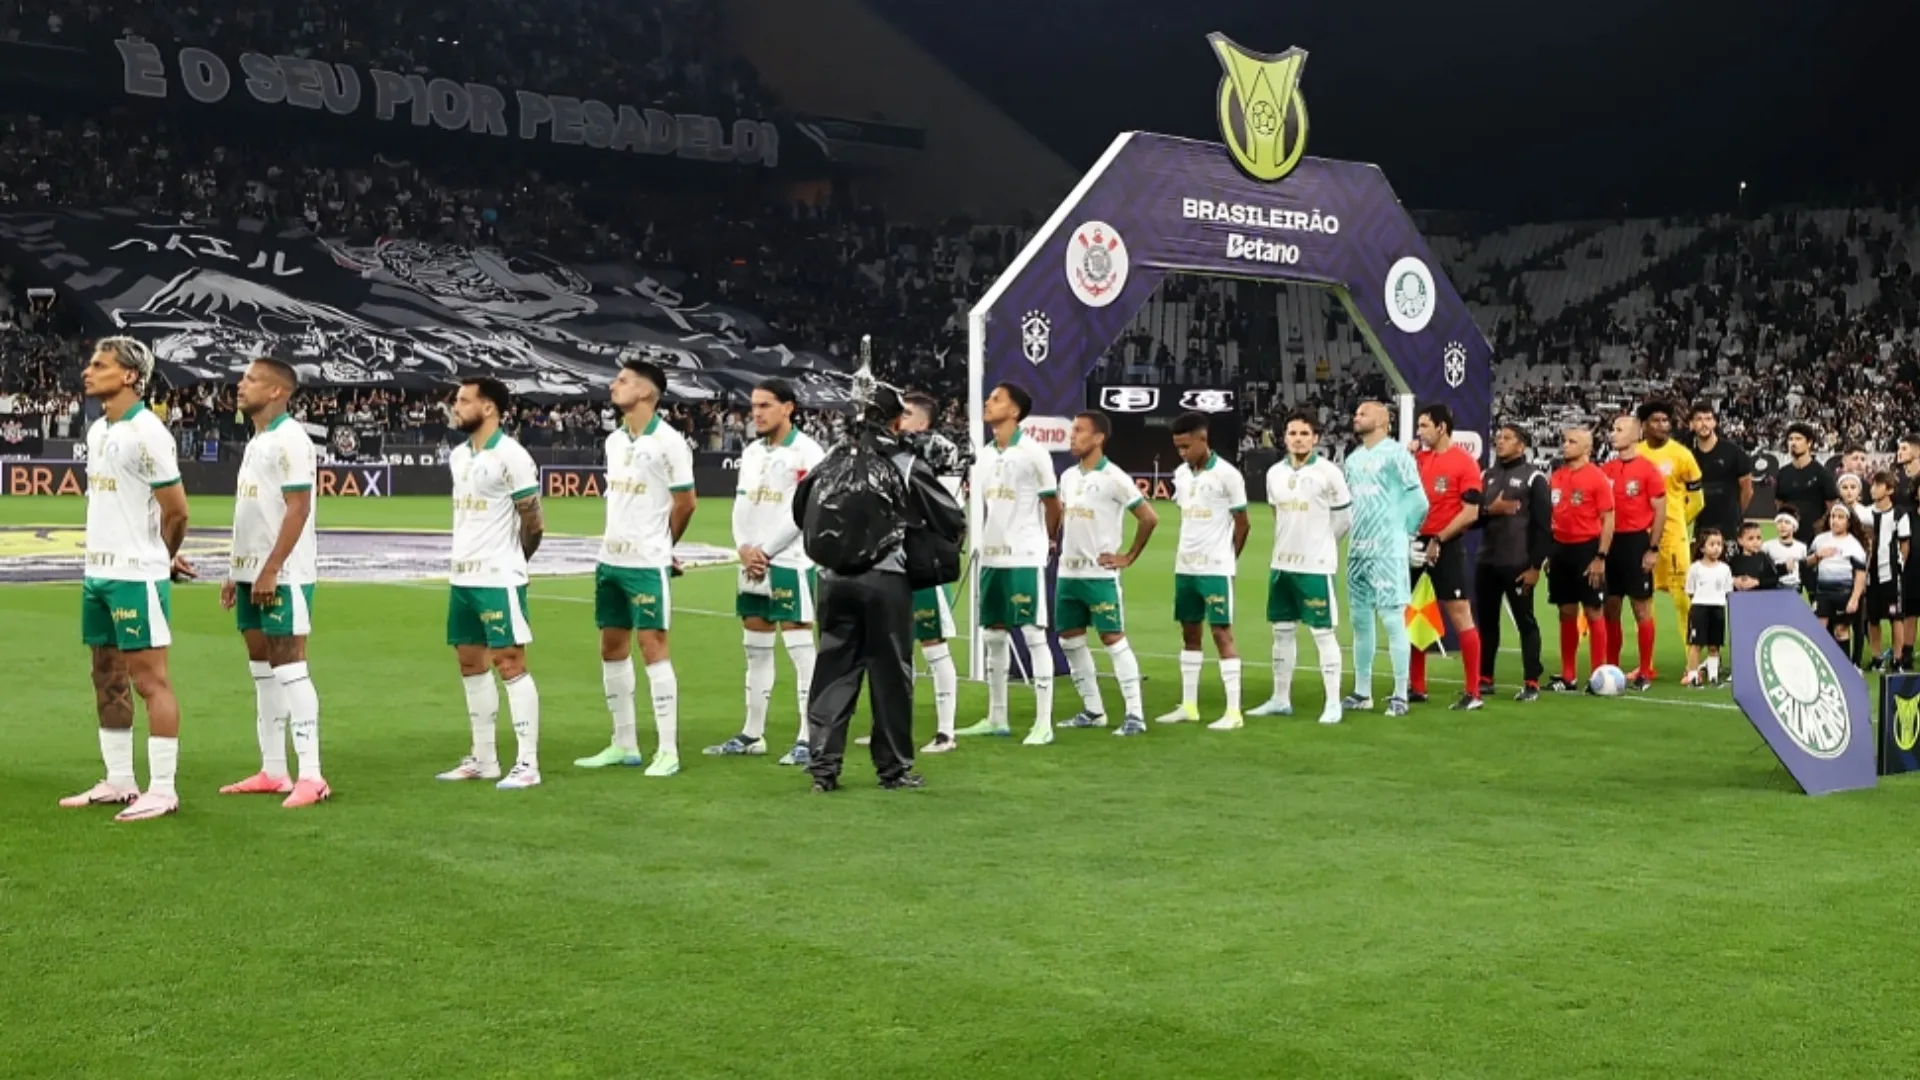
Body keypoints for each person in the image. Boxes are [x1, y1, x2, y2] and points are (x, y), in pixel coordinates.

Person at [796, 386, 963, 792]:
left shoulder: (832, 458)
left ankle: (823, 769)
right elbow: (950, 517)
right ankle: (893, 769)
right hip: (886, 579)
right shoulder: (904, 462)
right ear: (895, 420)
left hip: (833, 579)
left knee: (833, 671)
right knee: (890, 676)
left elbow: (801, 508)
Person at [60, 337, 192, 822]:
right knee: (105, 675)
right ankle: (119, 780)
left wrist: (160, 557)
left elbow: (177, 512)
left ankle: (163, 788)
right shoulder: (99, 431)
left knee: (150, 680)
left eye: (100, 364)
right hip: (98, 572)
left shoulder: (147, 432)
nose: (88, 372)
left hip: (135, 576)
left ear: (130, 377)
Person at [216, 357, 328, 808]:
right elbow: (253, 513)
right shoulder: (258, 439)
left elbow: (297, 508)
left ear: (278, 391)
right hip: (251, 571)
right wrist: (235, 570)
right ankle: (274, 770)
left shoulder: (291, 440)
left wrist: (271, 568)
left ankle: (313, 775)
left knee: (289, 665)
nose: (240, 386)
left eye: (251, 380)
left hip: (284, 573)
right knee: (262, 671)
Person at [575, 360, 695, 778]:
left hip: (646, 562)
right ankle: (624, 743)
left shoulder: (670, 442)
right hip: (611, 560)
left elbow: (686, 502)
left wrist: (664, 546)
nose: (613, 385)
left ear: (646, 392)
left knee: (653, 649)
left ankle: (667, 749)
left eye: (623, 381)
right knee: (611, 648)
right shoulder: (614, 441)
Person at [434, 377, 546, 789]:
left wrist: (516, 562)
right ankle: (484, 758)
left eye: (464, 401)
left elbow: (533, 521)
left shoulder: (511, 455)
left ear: (489, 408)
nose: (455, 407)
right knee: (469, 662)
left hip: (498, 576)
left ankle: (528, 764)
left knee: (510, 662)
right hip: (462, 576)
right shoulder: (459, 456)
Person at [707, 379, 826, 764]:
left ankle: (809, 738)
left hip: (790, 561)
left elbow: (804, 512)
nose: (756, 413)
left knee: (800, 649)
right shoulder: (753, 452)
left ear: (788, 407)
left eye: (765, 406)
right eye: (753, 406)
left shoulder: (808, 452)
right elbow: (741, 506)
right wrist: (743, 548)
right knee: (755, 648)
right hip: (754, 561)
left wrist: (767, 551)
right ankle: (751, 734)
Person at [957, 382, 1062, 745]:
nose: (988, 402)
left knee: (1033, 633)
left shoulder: (1034, 453)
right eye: (989, 398)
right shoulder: (984, 455)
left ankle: (1043, 722)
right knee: (993, 634)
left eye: (997, 399)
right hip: (991, 556)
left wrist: (1045, 541)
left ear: (1015, 411)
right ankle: (996, 716)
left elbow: (1052, 503)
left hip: (1023, 554)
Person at [1055, 410, 1157, 737]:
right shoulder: (1068, 477)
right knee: (1070, 642)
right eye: (1072, 430)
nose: (1072, 436)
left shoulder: (1115, 477)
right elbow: (1060, 515)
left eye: (1080, 431)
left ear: (1099, 438)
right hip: (1067, 574)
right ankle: (1093, 710)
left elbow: (1149, 518)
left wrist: (1128, 556)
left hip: (1100, 576)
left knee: (1113, 639)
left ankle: (1135, 715)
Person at [1248, 411, 1351, 725]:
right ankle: (1281, 698)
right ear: (1284, 438)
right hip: (1282, 563)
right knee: (1281, 632)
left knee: (1322, 632)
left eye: (1304, 433)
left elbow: (1344, 519)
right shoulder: (1274, 474)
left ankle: (1333, 702)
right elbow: (1276, 513)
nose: (1298, 439)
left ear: (1316, 438)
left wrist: (1322, 544)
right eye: (1292, 433)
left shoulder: (1329, 472)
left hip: (1315, 566)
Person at [1158, 411, 1251, 729]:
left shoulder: (1228, 475)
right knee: (1189, 633)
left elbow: (1243, 524)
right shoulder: (1181, 476)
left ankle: (1234, 712)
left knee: (1221, 632)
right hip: (1185, 566)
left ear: (1203, 438)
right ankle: (1189, 705)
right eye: (1178, 447)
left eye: (1186, 446)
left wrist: (1228, 559)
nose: (1182, 453)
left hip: (1215, 568)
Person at [1341, 401, 1427, 715]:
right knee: (1360, 622)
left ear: (1381, 420)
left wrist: (1403, 535)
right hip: (1358, 550)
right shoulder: (1352, 460)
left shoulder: (1396, 455)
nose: (1356, 416)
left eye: (1363, 413)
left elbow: (1419, 500)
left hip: (1386, 550)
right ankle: (1362, 692)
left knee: (1393, 620)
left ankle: (1400, 694)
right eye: (1357, 412)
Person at [1411, 403, 1484, 710]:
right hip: (1415, 543)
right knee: (1412, 610)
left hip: (1446, 543)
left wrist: (1439, 538)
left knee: (1458, 611)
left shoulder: (1464, 463)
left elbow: (1471, 511)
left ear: (1441, 428)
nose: (1419, 431)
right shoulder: (1417, 459)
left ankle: (1473, 692)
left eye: (1425, 425)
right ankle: (1416, 686)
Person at [1475, 423, 1550, 701]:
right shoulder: (1486, 475)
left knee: (1525, 622)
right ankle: (1485, 678)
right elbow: (1474, 519)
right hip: (1487, 562)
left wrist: (1535, 566)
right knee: (1487, 622)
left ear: (1522, 445)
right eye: (1498, 438)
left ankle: (1532, 681)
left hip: (1518, 563)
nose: (1500, 442)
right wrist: (1488, 510)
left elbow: (1544, 527)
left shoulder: (1534, 478)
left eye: (1507, 438)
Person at [1600, 414, 1667, 691]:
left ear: (1636, 435)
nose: (1613, 434)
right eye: (1613, 429)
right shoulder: (1606, 469)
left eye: (1619, 429)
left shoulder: (1648, 470)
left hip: (1636, 543)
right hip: (1609, 544)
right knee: (1610, 607)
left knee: (1641, 607)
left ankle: (1645, 669)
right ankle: (1611, 668)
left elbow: (1660, 511)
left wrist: (1652, 548)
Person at [1546, 427, 1613, 693]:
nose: (1565, 445)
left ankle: (1599, 676)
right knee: (1566, 610)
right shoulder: (1557, 477)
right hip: (1561, 549)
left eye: (1572, 442)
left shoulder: (1597, 478)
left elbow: (1608, 519)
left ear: (1587, 448)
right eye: (1564, 440)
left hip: (1587, 549)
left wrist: (1601, 556)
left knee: (1593, 609)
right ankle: (1568, 675)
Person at [1635, 400, 1703, 655]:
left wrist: (1678, 523)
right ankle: (1646, 665)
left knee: (1682, 599)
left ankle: (1692, 662)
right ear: (1644, 425)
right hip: (1641, 537)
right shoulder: (1636, 454)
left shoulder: (1682, 455)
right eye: (1656, 421)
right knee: (1642, 602)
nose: (1662, 425)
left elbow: (1698, 499)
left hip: (1673, 537)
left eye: (1666, 421)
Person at [1863, 471, 1910, 670]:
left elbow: (1904, 544)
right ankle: (1876, 657)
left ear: (1889, 490)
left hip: (1890, 573)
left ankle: (1897, 659)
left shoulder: (1899, 514)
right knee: (1872, 618)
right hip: (1869, 574)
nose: (1873, 489)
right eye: (1872, 485)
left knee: (1895, 617)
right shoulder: (1865, 513)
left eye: (1878, 485)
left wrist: (1900, 566)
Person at [1687, 404, 1753, 544]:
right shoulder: (1687, 455)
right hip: (1701, 524)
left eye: (1708, 419)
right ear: (1691, 424)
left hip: (1728, 526)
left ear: (1714, 422)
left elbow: (1747, 489)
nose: (1704, 424)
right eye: (1699, 419)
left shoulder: (1733, 452)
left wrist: (1737, 515)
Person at [1807, 504, 1868, 653]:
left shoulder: (1853, 545)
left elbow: (1860, 574)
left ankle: (1844, 667)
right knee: (1819, 630)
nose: (1835, 521)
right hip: (1823, 593)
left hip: (1843, 594)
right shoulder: (1820, 540)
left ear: (1848, 521)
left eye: (1840, 517)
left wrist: (1854, 599)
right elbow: (1807, 563)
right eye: (1833, 517)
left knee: (1841, 630)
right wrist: (1818, 555)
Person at [1773, 424, 1838, 558]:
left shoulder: (1822, 474)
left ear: (1809, 443)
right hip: (1789, 538)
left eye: (1798, 439)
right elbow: (1779, 503)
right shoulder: (1783, 473)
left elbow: (1832, 506)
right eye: (1790, 439)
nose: (1793, 443)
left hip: (1814, 537)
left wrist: (1821, 528)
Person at [1682, 530, 1733, 688]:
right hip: (1699, 608)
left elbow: (1727, 591)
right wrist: (1699, 602)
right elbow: (1690, 590)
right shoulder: (1695, 568)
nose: (1716, 548)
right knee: (1695, 644)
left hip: (1717, 608)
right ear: (1703, 548)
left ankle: (1713, 677)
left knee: (1714, 645)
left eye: (1719, 544)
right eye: (1712, 544)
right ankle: (1692, 676)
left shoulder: (1725, 569)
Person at [1728, 522, 1781, 593]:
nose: (1755, 542)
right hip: (1740, 598)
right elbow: (1726, 578)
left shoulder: (1763, 558)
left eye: (1758, 538)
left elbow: (1774, 579)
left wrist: (1757, 582)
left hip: (1761, 596)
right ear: (1740, 541)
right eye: (1751, 538)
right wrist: (1734, 581)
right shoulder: (1735, 560)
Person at [1764, 513, 1808, 595]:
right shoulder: (1767, 546)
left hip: (1794, 588)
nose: (1782, 525)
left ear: (1794, 527)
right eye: (1779, 522)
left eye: (1787, 522)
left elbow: (1804, 572)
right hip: (1774, 587)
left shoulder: (1802, 547)